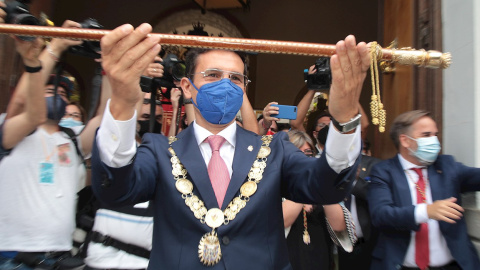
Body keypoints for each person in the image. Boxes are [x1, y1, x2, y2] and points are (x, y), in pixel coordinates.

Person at [91, 23, 370, 269]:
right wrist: (123, 104)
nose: (225, 85)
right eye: (212, 75)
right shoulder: (159, 151)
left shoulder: (275, 151)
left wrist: (345, 119)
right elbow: (115, 190)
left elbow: (328, 185)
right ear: (187, 87)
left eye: (236, 78)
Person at [0, 20, 110, 269]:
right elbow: (22, 103)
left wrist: (107, 69)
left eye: (62, 94)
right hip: (14, 258)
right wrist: (56, 45)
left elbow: (103, 116)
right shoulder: (13, 132)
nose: (58, 96)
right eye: (49, 91)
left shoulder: (71, 138)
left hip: (59, 256)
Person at [368, 110, 480, 270]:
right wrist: (426, 212)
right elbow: (381, 215)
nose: (434, 140)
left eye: (435, 134)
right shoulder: (384, 172)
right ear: (405, 141)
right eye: (426, 135)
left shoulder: (447, 166)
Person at [283, 130, 356, 270]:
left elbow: (341, 228)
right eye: (297, 153)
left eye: (308, 153)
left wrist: (322, 185)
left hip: (319, 259)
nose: (303, 159)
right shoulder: (274, 183)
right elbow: (279, 221)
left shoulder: (319, 184)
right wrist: (303, 183)